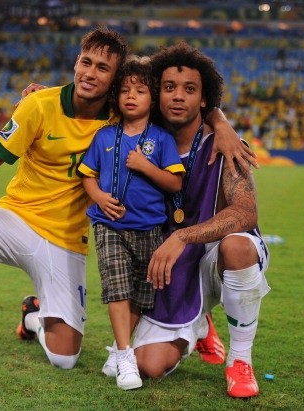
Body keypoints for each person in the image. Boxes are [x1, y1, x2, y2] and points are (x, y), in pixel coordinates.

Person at [0, 26, 255, 382]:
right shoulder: (39, 104)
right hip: (17, 219)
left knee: (64, 358)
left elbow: (179, 97)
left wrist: (220, 122)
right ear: (75, 63)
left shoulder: (123, 115)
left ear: (115, 82)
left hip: (66, 241)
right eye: (86, 62)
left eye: (103, 68)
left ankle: (33, 316)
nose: (90, 73)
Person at [131, 42, 271, 399]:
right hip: (169, 264)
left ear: (205, 99)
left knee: (237, 245)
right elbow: (103, 93)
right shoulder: (139, 140)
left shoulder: (225, 144)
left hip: (210, 255)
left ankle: (240, 361)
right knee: (148, 367)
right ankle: (199, 325)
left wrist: (183, 237)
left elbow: (244, 213)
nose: (179, 97)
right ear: (156, 94)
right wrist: (44, 96)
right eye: (169, 88)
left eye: (190, 89)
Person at [78, 55, 185, 390]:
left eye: (139, 90)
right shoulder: (104, 136)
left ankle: (116, 349)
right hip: (108, 225)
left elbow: (175, 183)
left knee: (141, 294)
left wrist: (144, 165)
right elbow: (87, 176)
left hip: (150, 228)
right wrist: (97, 197)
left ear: (151, 98)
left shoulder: (162, 139)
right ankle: (126, 356)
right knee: (116, 287)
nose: (130, 96)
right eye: (124, 90)